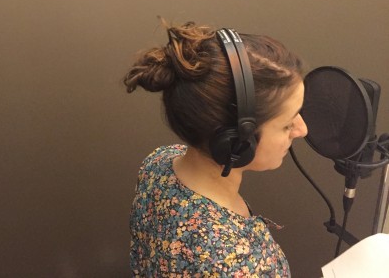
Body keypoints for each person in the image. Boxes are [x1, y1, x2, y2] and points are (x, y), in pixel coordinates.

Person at [123, 20, 308, 277]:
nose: (302, 129)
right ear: (235, 140)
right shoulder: (238, 266)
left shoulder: (158, 162)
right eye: (287, 124)